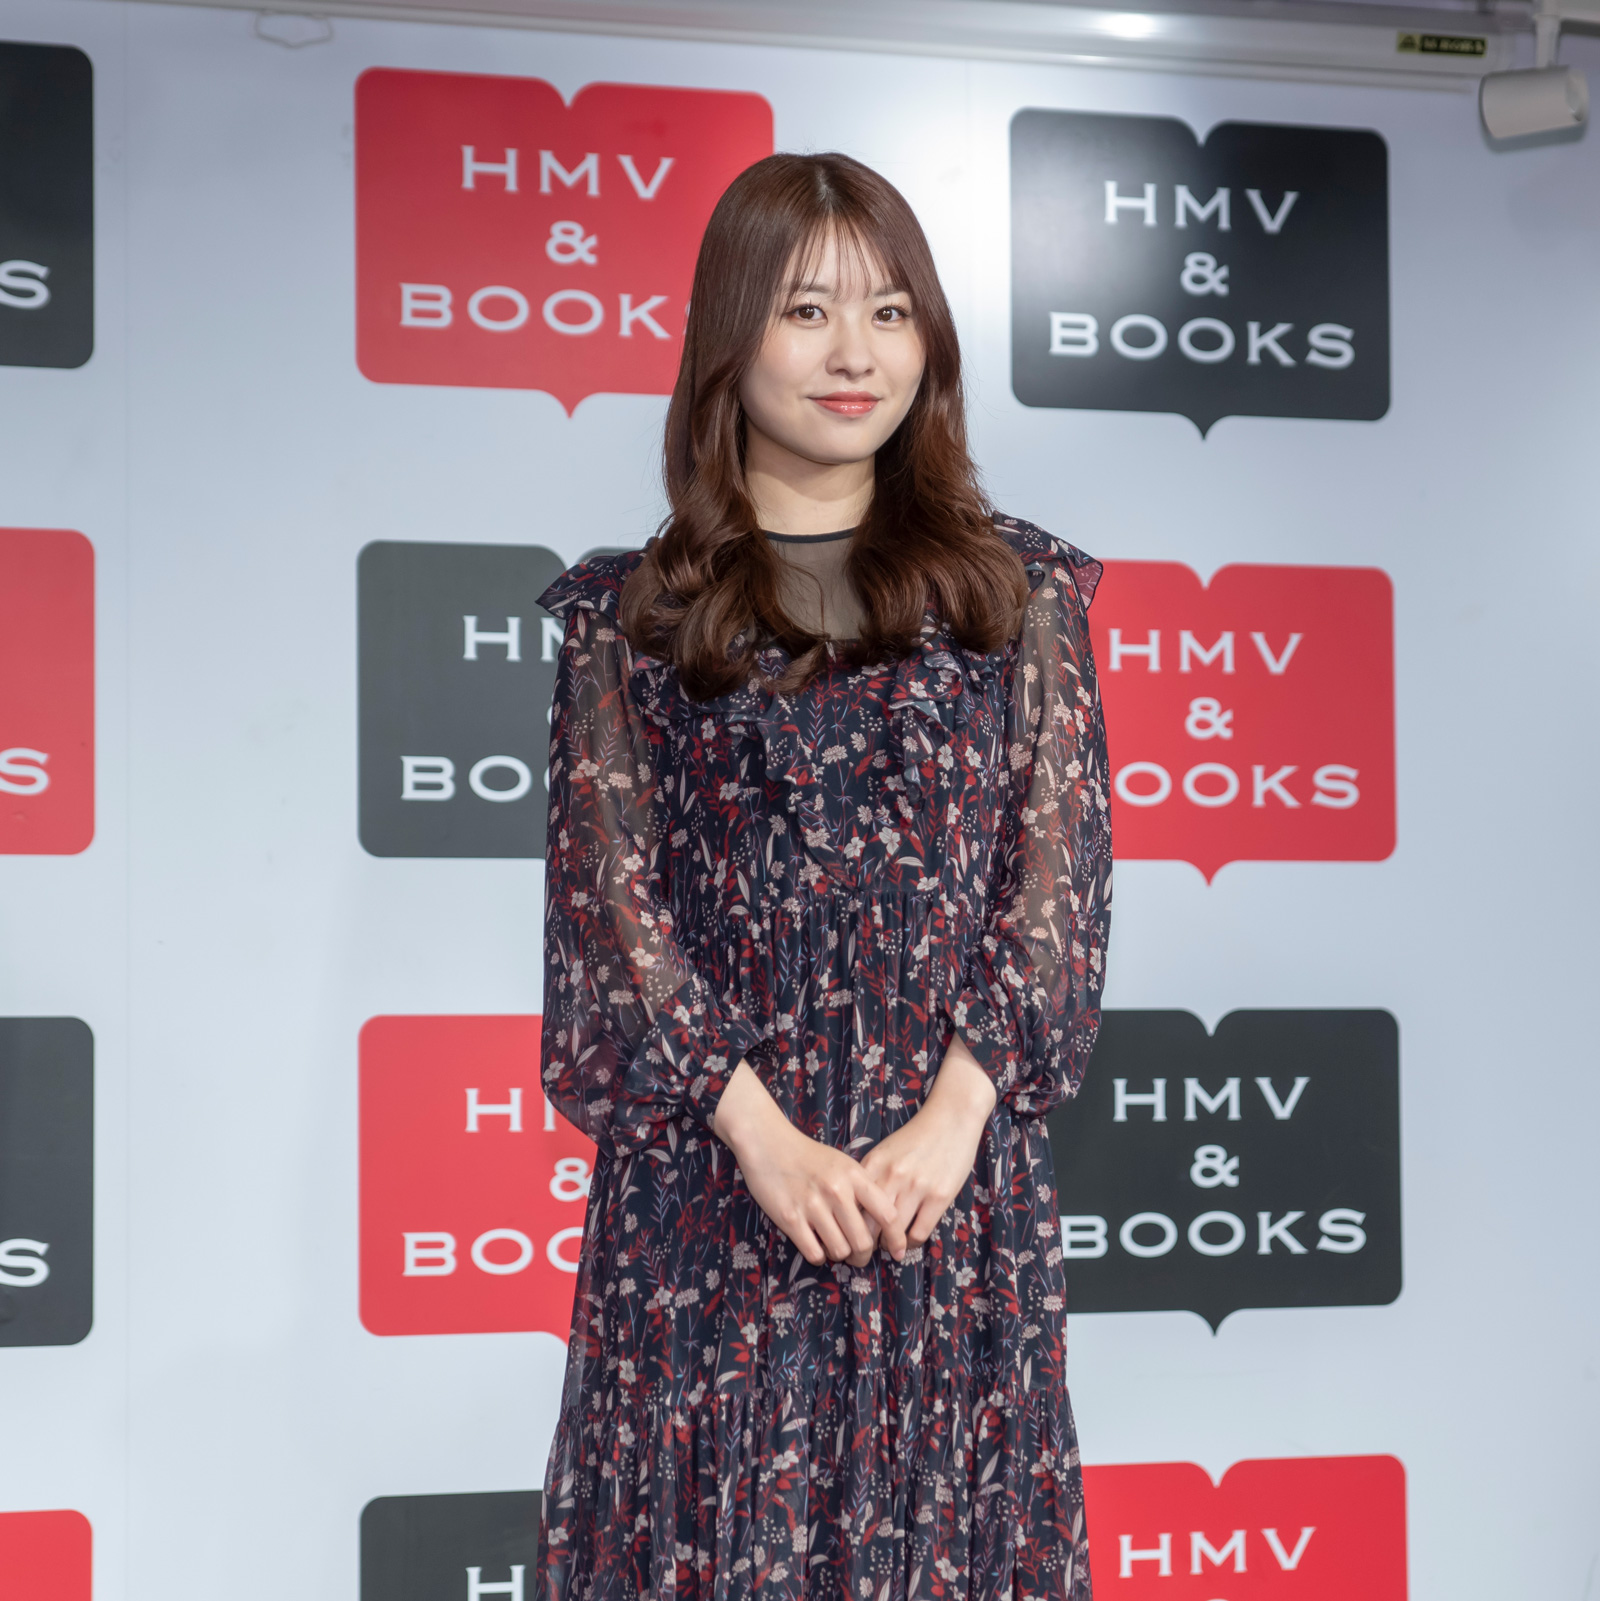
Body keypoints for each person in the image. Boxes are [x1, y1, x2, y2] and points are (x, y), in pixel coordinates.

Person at [534, 151, 1111, 1601]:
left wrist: (956, 1119)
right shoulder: (631, 616)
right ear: (731, 336)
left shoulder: (1017, 596)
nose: (857, 353)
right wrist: (761, 1136)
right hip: (713, 1203)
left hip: (947, 1204)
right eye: (807, 310)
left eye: (891, 312)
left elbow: (1057, 890)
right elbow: (611, 917)